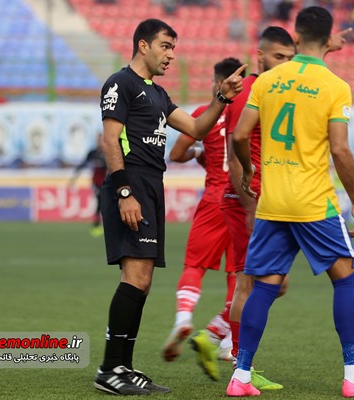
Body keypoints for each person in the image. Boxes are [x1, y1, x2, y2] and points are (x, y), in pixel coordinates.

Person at [225, 6, 354, 397]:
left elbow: (239, 135)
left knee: (264, 286)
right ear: (328, 38)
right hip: (313, 203)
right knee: (346, 277)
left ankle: (241, 376)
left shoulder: (268, 80)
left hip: (273, 202)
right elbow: (339, 149)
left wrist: (249, 170)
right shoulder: (335, 86)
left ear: (295, 37)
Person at [94, 18, 245, 396]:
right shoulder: (120, 83)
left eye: (173, 48)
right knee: (134, 278)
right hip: (131, 184)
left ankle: (123, 367)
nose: (171, 55)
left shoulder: (158, 94)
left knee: (142, 281)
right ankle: (110, 369)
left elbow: (196, 129)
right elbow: (110, 139)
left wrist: (222, 98)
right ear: (143, 45)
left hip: (151, 186)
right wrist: (124, 192)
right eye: (165, 46)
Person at [188, 26, 296, 391]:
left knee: (271, 284)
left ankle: (217, 338)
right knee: (251, 285)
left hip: (267, 200)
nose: (285, 63)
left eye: (290, 58)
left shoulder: (273, 89)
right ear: (260, 56)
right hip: (246, 201)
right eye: (278, 56)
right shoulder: (249, 90)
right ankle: (239, 366)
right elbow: (235, 152)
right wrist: (248, 203)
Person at [161, 57, 245, 365]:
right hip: (240, 199)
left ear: (219, 83)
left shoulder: (204, 114)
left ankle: (183, 319)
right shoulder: (249, 113)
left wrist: (201, 151)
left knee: (195, 265)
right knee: (238, 274)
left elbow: (177, 153)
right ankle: (229, 341)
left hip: (213, 199)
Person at [69, 133, 108, 237]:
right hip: (96, 182)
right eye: (98, 139)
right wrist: (74, 179)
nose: (100, 142)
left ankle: (102, 225)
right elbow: (83, 164)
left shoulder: (108, 152)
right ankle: (96, 225)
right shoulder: (93, 153)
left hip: (107, 181)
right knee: (100, 202)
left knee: (106, 203)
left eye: (101, 139)